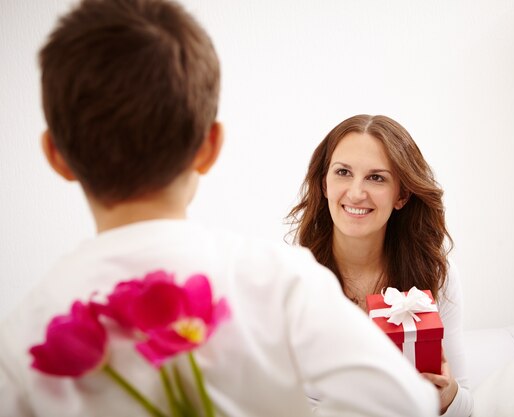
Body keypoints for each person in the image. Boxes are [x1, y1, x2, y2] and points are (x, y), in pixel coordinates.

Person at [0, 2, 440, 416]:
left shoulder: (21, 336)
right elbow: (408, 404)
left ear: (55, 156)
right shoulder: (281, 279)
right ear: (210, 146)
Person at [286, 114, 474, 417]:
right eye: (343, 172)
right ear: (324, 183)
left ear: (401, 195)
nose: (356, 192)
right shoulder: (292, 277)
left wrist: (446, 394)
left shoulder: (437, 275)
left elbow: (466, 409)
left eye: (376, 177)